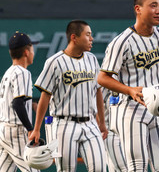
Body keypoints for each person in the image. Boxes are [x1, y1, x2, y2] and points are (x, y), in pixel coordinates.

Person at [98, 0, 159, 172]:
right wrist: (129, 90)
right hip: (132, 110)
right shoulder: (122, 41)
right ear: (138, 9)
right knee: (137, 167)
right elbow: (102, 78)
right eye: (153, 5)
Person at [30, 20, 108, 172]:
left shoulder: (92, 59)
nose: (92, 39)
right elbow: (44, 97)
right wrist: (37, 128)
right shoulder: (54, 62)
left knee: (99, 168)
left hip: (90, 122)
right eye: (88, 35)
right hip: (64, 124)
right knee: (66, 170)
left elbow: (98, 91)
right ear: (74, 37)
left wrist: (102, 122)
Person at [0, 32, 38, 172]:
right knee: (34, 169)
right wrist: (30, 129)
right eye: (32, 49)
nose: (33, 52)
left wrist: (32, 105)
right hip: (16, 131)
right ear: (26, 52)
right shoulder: (23, 72)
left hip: (3, 129)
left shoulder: (8, 73)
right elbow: (17, 103)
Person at [101, 86, 127, 172]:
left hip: (128, 127)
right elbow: (96, 102)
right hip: (110, 129)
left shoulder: (129, 78)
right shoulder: (103, 80)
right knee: (123, 168)